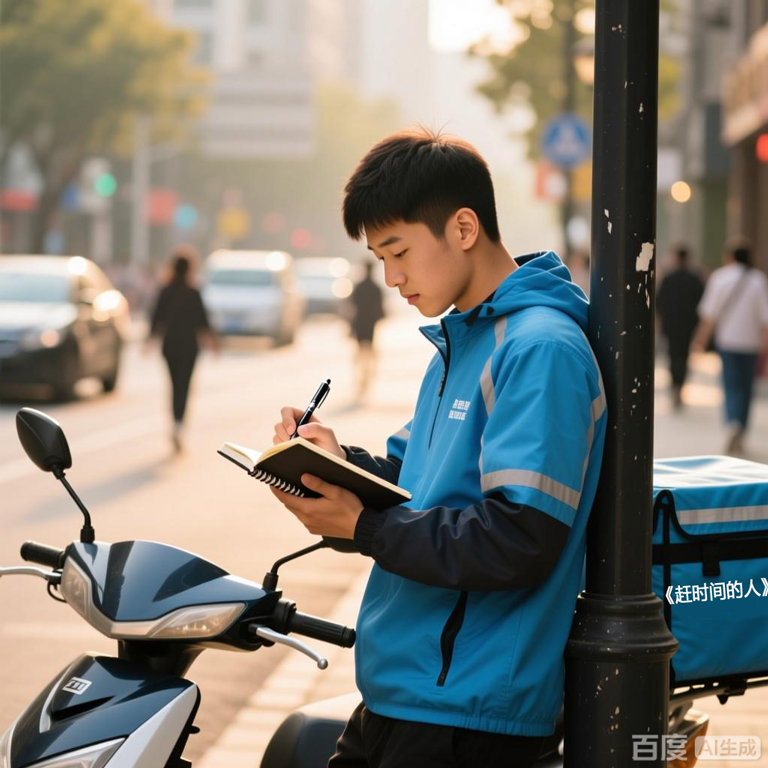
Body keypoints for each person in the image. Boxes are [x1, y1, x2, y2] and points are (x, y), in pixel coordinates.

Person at [270, 129, 607, 768]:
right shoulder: (463, 339)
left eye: (398, 251)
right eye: (380, 258)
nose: (391, 277)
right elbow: (413, 483)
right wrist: (335, 464)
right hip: (404, 693)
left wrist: (364, 527)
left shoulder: (539, 349)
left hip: (469, 713)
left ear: (463, 228)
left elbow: (520, 538)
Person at [692, 237, 768, 453]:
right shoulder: (758, 280)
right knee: (747, 387)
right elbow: (765, 318)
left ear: (729, 257)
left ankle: (732, 422)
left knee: (731, 384)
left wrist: (700, 339)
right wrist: (765, 344)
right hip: (751, 343)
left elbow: (709, 315)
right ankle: (741, 427)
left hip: (727, 341)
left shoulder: (720, 278)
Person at [146, 245, 218, 452]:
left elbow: (156, 318)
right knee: (184, 387)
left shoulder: (165, 291)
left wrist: (149, 341)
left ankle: (175, 423)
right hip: (189, 348)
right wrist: (213, 344)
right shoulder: (193, 292)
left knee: (174, 386)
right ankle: (178, 425)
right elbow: (203, 321)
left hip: (170, 347)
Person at [656, 244, 704, 409]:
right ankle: (680, 385)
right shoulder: (694, 279)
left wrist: (660, 321)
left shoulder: (669, 278)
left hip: (671, 324)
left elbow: (659, 302)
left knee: (672, 355)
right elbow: (701, 302)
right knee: (684, 356)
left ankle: (674, 385)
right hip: (688, 325)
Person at [347, 260, 385, 397]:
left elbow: (351, 305)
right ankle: (366, 373)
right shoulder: (376, 288)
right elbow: (381, 308)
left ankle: (362, 374)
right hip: (370, 322)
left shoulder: (359, 287)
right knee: (369, 348)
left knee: (360, 349)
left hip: (360, 321)